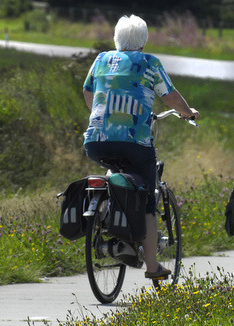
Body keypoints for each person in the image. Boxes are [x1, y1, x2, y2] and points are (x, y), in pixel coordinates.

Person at [82, 14, 200, 279]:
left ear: (116, 40)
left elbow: (88, 92)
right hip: (134, 142)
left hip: (96, 141)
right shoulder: (149, 63)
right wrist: (187, 112)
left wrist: (101, 116)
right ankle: (153, 267)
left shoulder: (101, 59)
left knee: (114, 170)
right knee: (147, 200)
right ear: (144, 43)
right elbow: (170, 96)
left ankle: (108, 223)